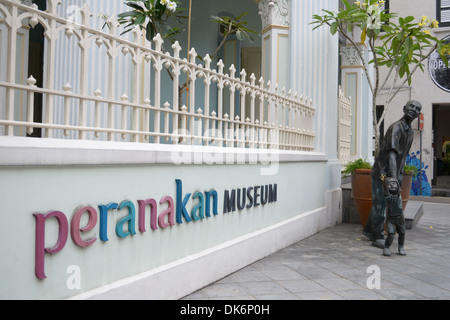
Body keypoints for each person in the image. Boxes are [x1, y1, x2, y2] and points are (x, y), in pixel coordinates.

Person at [363, 100, 422, 251]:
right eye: (411, 106)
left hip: (393, 174)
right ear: (404, 108)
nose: (413, 110)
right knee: (380, 204)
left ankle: (369, 230)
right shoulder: (396, 127)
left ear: (418, 114)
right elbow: (392, 155)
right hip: (382, 173)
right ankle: (377, 237)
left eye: (417, 109)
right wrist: (393, 179)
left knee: (379, 202)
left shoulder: (409, 131)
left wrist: (398, 175)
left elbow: (402, 157)